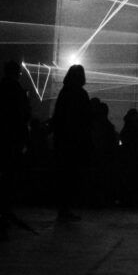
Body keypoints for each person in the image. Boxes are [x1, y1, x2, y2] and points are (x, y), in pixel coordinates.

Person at [0, 60, 30, 216]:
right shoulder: (18, 91)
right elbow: (25, 115)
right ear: (17, 73)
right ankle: (5, 206)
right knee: (10, 174)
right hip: (12, 139)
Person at [52, 64, 90, 222]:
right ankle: (66, 208)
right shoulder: (81, 94)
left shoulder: (64, 92)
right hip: (75, 141)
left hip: (63, 140)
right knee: (71, 175)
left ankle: (63, 208)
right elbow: (86, 118)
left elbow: (58, 116)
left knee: (63, 175)